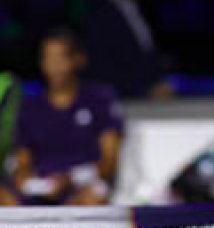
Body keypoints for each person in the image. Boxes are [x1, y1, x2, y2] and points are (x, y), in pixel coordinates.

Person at [0, 28, 123, 206]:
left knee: (93, 196)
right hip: (41, 191)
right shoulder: (30, 107)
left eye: (61, 58)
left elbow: (109, 161)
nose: (54, 66)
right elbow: (24, 162)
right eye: (47, 58)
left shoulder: (99, 99)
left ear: (78, 60)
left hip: (83, 188)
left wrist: (70, 179)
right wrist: (29, 181)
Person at [83, 0, 171, 98]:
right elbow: (101, 70)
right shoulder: (98, 14)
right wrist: (144, 91)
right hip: (123, 105)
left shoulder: (138, 7)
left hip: (150, 104)